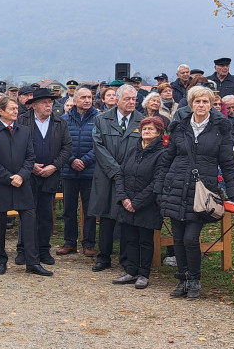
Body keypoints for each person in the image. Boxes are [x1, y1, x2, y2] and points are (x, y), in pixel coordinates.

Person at [156, 86, 234, 299]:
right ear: (191, 103)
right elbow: (168, 158)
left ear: (211, 104)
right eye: (197, 102)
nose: (201, 105)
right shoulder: (180, 126)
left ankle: (195, 279)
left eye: (205, 102)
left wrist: (233, 193)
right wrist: (159, 186)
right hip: (176, 186)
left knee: (190, 238)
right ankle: (182, 280)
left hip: (202, 190)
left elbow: (228, 162)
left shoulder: (220, 128)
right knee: (177, 238)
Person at [0, 97, 51, 276]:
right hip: (1, 184)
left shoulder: (25, 131)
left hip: (22, 184)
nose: (15, 111)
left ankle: (32, 262)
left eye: (16, 108)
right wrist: (8, 177)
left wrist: (21, 175)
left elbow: (30, 157)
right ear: (1, 111)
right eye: (11, 108)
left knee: (29, 221)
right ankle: (0, 260)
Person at [15, 87, 72, 267]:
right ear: (34, 105)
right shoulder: (22, 120)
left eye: (50, 102)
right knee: (26, 214)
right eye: (44, 103)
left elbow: (67, 148)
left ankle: (43, 250)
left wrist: (54, 166)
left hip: (50, 176)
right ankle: (23, 250)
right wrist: (30, 166)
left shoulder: (59, 122)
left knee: (46, 215)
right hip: (27, 176)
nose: (49, 105)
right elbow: (15, 146)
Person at [90, 84, 143, 272]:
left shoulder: (142, 121)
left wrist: (127, 171)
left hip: (130, 177)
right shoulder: (102, 120)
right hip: (107, 176)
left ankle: (126, 258)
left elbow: (142, 149)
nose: (131, 102)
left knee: (126, 217)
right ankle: (103, 257)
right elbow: (98, 147)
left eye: (134, 99)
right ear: (117, 100)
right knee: (106, 217)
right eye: (127, 99)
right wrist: (115, 170)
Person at [113, 117, 167, 289]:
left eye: (151, 129)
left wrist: (136, 202)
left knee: (145, 240)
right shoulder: (133, 150)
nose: (147, 132)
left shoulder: (162, 153)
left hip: (147, 205)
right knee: (130, 239)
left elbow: (157, 181)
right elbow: (120, 174)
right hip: (127, 202)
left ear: (159, 132)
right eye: (144, 129)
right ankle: (131, 270)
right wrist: (124, 198)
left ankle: (144, 274)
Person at [58, 87, 99, 257]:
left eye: (89, 97)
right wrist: (72, 160)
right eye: (83, 97)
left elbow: (100, 144)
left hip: (90, 171)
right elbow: (60, 144)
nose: (87, 100)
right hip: (69, 171)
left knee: (90, 210)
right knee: (69, 209)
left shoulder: (99, 119)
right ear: (74, 100)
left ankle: (88, 243)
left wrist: (85, 160)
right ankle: (70, 242)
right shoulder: (64, 120)